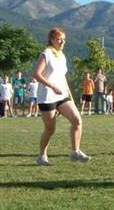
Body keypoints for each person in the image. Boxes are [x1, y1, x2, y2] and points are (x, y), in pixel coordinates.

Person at [33, 27, 91, 165]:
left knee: (77, 120)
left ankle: (75, 151)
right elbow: (36, 74)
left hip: (62, 95)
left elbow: (62, 77)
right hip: (47, 96)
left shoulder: (61, 55)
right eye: (59, 39)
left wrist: (69, 94)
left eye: (64, 40)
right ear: (51, 39)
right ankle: (42, 156)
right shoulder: (46, 54)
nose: (62, 42)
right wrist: (52, 86)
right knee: (50, 129)